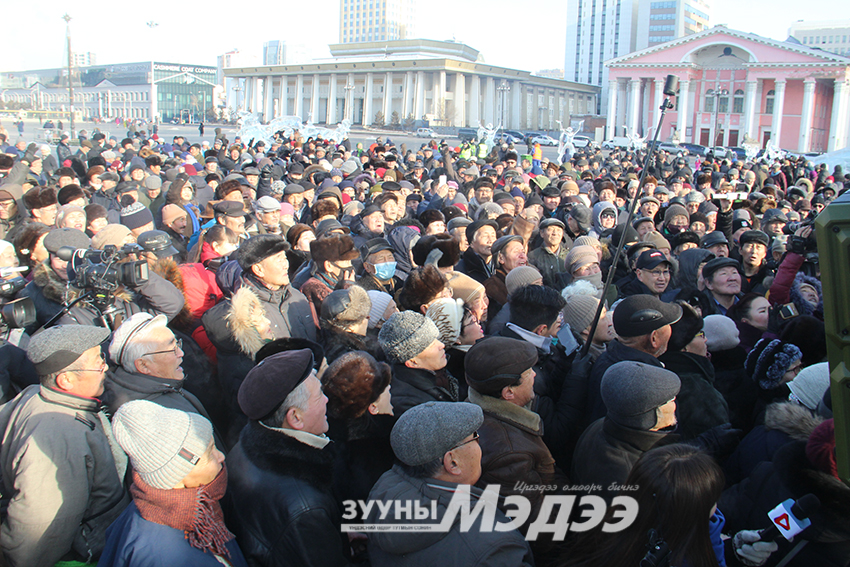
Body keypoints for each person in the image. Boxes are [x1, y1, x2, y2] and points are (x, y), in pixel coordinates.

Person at [0, 325, 129, 567]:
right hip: (81, 555)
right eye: (96, 361)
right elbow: (37, 536)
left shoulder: (35, 393)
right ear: (66, 379)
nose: (104, 365)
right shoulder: (61, 439)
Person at [365, 401, 534, 566]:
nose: (479, 443)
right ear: (452, 462)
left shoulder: (382, 495)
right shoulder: (494, 550)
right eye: (474, 436)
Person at [224, 349, 352, 567]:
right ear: (295, 417)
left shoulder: (246, 443)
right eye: (320, 394)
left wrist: (333, 532)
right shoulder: (305, 507)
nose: (327, 400)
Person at [99, 401, 247, 567]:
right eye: (210, 452)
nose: (221, 456)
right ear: (176, 477)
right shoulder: (164, 557)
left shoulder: (191, 509)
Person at [584, 294, 682, 425]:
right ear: (654, 339)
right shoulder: (647, 383)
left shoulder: (606, 360)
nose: (671, 330)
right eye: (668, 325)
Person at [378, 310, 457, 415]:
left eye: (436, 339)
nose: (441, 345)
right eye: (431, 344)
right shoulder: (407, 404)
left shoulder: (437, 369)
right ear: (412, 362)